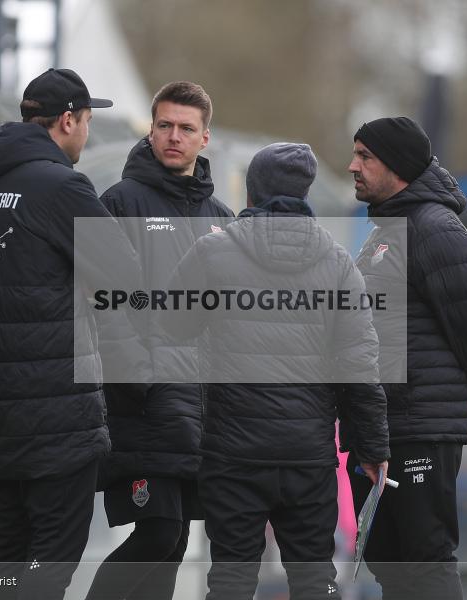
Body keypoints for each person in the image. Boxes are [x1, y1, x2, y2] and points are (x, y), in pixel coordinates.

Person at [159, 142, 390, 599]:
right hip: (307, 456)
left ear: (251, 193)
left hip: (232, 453)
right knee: (313, 580)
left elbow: (172, 323)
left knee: (231, 580)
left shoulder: (213, 252)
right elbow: (360, 365)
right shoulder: (339, 263)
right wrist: (373, 446)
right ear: (304, 195)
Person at [0, 68, 143, 600]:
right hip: (57, 415)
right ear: (67, 120)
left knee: (4, 557)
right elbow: (125, 276)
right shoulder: (61, 186)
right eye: (86, 120)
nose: (86, 132)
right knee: (51, 561)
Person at [347, 116, 467, 600]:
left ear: (396, 166)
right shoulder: (387, 229)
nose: (352, 166)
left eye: (365, 156)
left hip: (419, 424)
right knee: (386, 559)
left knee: (425, 558)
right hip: (383, 426)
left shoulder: (434, 228)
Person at [87, 81, 234, 600]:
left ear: (205, 138)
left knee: (173, 544)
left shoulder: (220, 219)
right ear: (150, 130)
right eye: (165, 125)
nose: (174, 136)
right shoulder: (120, 203)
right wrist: (138, 378)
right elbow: (100, 304)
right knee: (157, 533)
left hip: (200, 414)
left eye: (186, 128)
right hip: (144, 408)